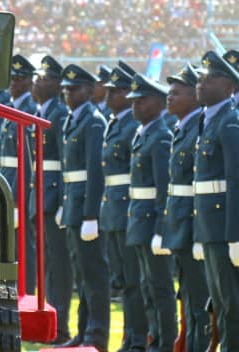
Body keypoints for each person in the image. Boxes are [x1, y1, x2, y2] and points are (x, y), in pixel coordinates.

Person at [56, 64, 110, 352]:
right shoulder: (74, 119)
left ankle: (97, 334)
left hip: (85, 209)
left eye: (74, 88)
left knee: (94, 275)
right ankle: (82, 332)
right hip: (73, 205)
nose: (68, 93)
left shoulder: (94, 121)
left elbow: (94, 172)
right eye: (65, 88)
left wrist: (92, 215)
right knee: (81, 274)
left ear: (90, 91)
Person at [98, 63, 148, 352]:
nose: (108, 95)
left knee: (135, 283)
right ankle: (130, 338)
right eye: (109, 90)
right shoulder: (116, 121)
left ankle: (138, 339)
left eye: (116, 91)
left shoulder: (131, 125)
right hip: (114, 210)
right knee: (125, 282)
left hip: (128, 209)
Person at [126, 72, 177, 352]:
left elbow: (163, 189)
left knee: (160, 288)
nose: (135, 106)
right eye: (134, 101)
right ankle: (155, 340)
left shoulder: (160, 137)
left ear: (159, 104)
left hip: (151, 223)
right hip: (139, 219)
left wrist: (161, 229)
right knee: (147, 287)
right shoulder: (144, 134)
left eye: (141, 101)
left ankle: (166, 343)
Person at [162, 63, 211, 352]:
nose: (170, 97)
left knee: (199, 299)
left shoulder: (198, 128)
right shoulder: (184, 127)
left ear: (194, 95)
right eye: (169, 92)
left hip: (193, 226)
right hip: (179, 225)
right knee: (189, 298)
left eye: (176, 93)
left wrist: (197, 233)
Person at [194, 51, 239, 351]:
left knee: (231, 303)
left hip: (225, 229)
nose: (201, 82)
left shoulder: (229, 122)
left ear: (229, 87)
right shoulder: (209, 120)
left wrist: (235, 236)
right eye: (201, 77)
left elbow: (235, 180)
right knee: (220, 302)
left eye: (209, 78)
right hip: (210, 227)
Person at [31, 55, 72, 344]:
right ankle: (49, 324)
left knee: (58, 265)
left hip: (53, 197)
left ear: (58, 84)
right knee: (46, 265)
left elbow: (63, 163)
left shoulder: (57, 112)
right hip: (40, 194)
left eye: (45, 78)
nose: (38, 82)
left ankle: (60, 327)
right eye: (37, 77)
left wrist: (60, 202)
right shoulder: (43, 109)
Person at [0, 54, 38, 293]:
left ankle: (27, 290)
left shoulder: (30, 110)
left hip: (19, 187)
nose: (14, 82)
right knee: (9, 245)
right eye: (12, 78)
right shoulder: (11, 108)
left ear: (30, 81)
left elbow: (28, 162)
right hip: (6, 183)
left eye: (20, 78)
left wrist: (21, 199)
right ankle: (11, 288)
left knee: (24, 246)